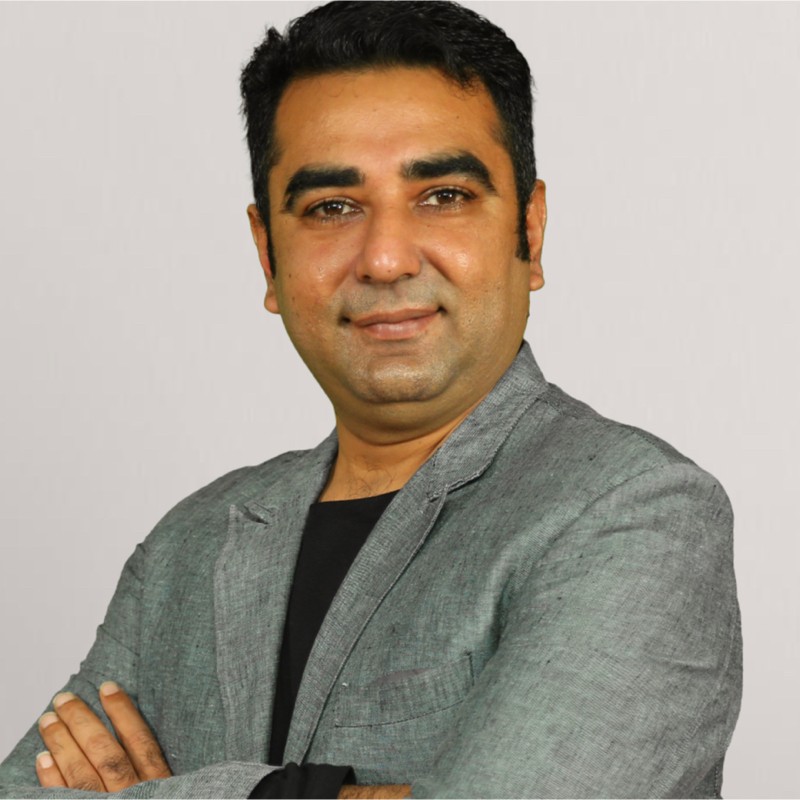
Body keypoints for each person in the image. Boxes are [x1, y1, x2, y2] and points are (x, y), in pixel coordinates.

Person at [0, 1, 742, 798]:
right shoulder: (190, 546)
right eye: (332, 207)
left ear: (529, 231)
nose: (385, 259)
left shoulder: (636, 512)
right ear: (268, 254)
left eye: (444, 195)